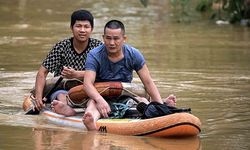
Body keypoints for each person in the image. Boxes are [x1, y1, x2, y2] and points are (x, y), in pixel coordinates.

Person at [82, 19, 175, 130]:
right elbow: (87, 84)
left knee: (143, 101)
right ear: (103, 38)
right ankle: (91, 121)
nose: (112, 43)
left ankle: (162, 104)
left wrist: (160, 107)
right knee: (92, 104)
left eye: (116, 38)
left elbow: (148, 82)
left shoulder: (134, 54)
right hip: (100, 96)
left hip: (125, 96)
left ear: (124, 39)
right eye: (108, 38)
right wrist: (100, 100)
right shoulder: (94, 55)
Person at [33, 9, 102, 116]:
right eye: (78, 26)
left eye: (86, 27)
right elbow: (42, 73)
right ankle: (65, 109)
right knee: (61, 97)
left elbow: (105, 72)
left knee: (93, 99)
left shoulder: (98, 47)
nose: (82, 30)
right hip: (63, 89)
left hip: (89, 89)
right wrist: (38, 98)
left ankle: (90, 113)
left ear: (91, 29)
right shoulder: (61, 47)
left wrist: (77, 74)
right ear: (71, 28)